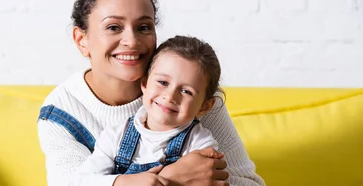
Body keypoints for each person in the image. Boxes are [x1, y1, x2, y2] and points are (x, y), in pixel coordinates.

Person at [37, 0, 266, 185]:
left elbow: (250, 183)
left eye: (143, 27)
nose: (132, 41)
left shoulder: (194, 97)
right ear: (81, 39)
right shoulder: (60, 114)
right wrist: (170, 178)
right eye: (113, 27)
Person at [77, 35, 225, 185]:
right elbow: (83, 181)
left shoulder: (200, 145)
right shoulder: (115, 136)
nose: (170, 96)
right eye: (163, 82)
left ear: (205, 106)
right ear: (145, 83)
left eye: (186, 91)